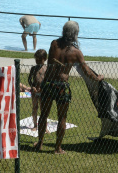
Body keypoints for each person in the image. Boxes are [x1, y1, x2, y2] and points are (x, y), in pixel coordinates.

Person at [34, 21, 104, 154]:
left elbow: (52, 60)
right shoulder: (76, 53)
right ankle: (57, 148)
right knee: (62, 118)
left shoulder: (54, 44)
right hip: (62, 86)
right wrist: (97, 78)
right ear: (75, 34)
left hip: (48, 83)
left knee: (44, 115)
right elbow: (87, 71)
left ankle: (40, 143)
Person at [28, 49, 48, 131]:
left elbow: (48, 80)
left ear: (45, 59)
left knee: (43, 109)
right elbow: (29, 79)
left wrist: (42, 88)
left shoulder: (46, 69)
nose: (37, 61)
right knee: (35, 107)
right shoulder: (33, 68)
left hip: (43, 91)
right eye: (36, 59)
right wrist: (32, 86)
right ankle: (35, 125)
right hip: (35, 91)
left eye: (40, 60)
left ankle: (44, 126)